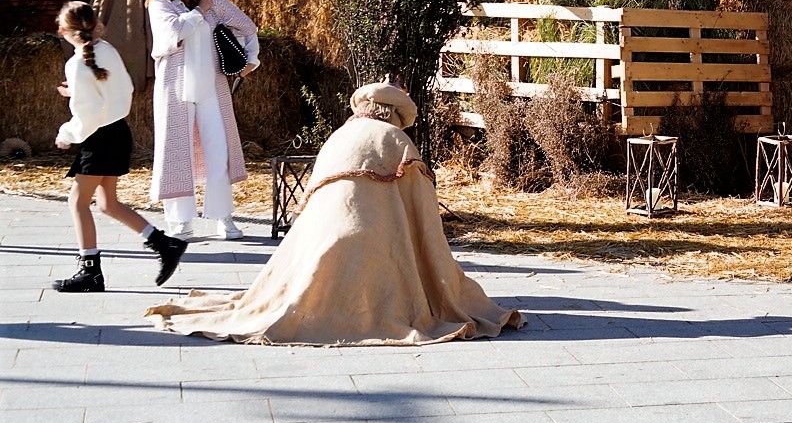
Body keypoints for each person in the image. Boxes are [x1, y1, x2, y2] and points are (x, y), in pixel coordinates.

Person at [147, 83, 524, 345]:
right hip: (379, 253)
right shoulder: (396, 139)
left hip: (318, 250)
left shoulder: (338, 137)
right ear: (393, 115)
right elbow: (422, 206)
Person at [49, 1, 187, 292]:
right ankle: (165, 245)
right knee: (107, 203)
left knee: (78, 201)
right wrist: (77, 90)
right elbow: (119, 90)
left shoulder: (76, 63)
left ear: (66, 31)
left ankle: (90, 271)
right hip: (117, 132)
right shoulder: (107, 50)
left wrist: (67, 133)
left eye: (60, 26)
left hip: (97, 137)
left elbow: (90, 112)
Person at [148, 0, 258, 240]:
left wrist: (250, 60)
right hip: (175, 92)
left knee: (218, 153)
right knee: (176, 153)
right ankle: (181, 222)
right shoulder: (160, 5)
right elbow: (174, 32)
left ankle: (224, 218)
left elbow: (247, 27)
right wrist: (199, 11)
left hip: (212, 90)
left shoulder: (213, 2)